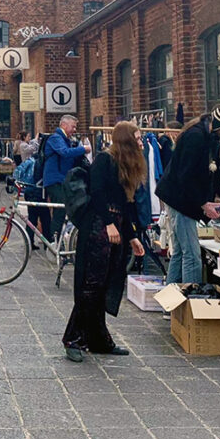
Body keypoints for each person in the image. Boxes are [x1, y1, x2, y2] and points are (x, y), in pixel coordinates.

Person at [63, 121, 147, 362]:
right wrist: (109, 222)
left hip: (115, 228)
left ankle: (98, 338)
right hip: (98, 228)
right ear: (126, 140)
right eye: (138, 138)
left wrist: (131, 237)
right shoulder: (105, 160)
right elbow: (97, 193)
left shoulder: (125, 165)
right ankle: (73, 339)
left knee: (104, 284)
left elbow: (126, 203)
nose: (141, 143)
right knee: (91, 284)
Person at [155, 104, 220, 285]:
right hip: (180, 200)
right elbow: (185, 175)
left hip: (183, 198)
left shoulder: (209, 139)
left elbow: (215, 180)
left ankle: (171, 303)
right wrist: (203, 203)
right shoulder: (196, 137)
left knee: (181, 252)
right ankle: (193, 301)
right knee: (192, 254)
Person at [43, 114, 90, 243]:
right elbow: (64, 153)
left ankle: (57, 241)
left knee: (63, 210)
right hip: (55, 180)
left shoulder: (66, 140)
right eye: (73, 126)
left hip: (62, 180)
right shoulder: (56, 138)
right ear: (64, 125)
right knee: (60, 210)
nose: (75, 130)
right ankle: (53, 243)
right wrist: (82, 149)